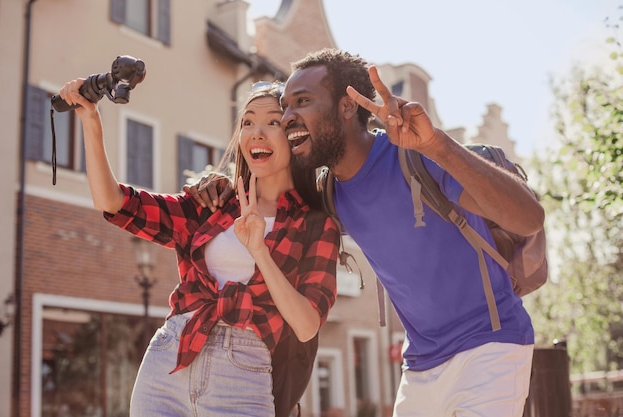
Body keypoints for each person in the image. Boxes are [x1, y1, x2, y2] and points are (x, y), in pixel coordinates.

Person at [189, 48, 545, 417]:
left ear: (346, 106)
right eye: (286, 105)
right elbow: (270, 194)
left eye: (303, 102)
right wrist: (224, 184)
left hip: (491, 346)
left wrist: (435, 144)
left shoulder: (418, 158)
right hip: (421, 365)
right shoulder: (328, 193)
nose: (289, 116)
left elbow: (529, 218)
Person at [59, 79, 340, 417]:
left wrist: (259, 251)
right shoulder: (213, 205)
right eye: (247, 122)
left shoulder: (314, 225)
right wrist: (91, 120)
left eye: (273, 122)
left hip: (244, 368)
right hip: (171, 355)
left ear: (294, 135)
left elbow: (307, 324)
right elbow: (115, 202)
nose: (257, 132)